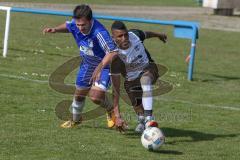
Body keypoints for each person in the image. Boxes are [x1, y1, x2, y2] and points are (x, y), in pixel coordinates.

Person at [42, 4, 118, 128]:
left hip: (104, 66)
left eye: (83, 25)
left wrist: (99, 68)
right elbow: (68, 26)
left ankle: (110, 109)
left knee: (95, 97)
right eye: (78, 25)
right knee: (79, 95)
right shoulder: (75, 24)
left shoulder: (99, 32)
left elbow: (113, 52)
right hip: (87, 65)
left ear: (90, 20)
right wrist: (55, 30)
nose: (80, 28)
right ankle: (75, 120)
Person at [92, 21, 167, 133]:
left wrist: (159, 35)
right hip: (131, 81)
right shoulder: (116, 58)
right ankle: (143, 122)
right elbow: (116, 91)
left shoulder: (135, 35)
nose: (125, 38)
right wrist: (117, 116)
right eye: (120, 36)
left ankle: (149, 119)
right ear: (113, 38)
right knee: (138, 109)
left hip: (148, 68)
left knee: (145, 80)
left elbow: (147, 34)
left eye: (126, 34)